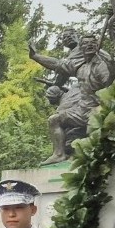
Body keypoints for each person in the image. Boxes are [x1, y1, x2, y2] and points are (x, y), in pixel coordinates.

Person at [30, 31, 115, 164]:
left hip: (99, 109)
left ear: (97, 46)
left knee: (93, 134)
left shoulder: (101, 65)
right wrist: (36, 56)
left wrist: (110, 65)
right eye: (86, 44)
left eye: (93, 43)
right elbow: (58, 64)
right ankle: (59, 154)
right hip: (82, 110)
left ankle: (97, 160)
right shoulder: (80, 67)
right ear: (81, 48)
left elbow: (109, 84)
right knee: (54, 120)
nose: (89, 46)